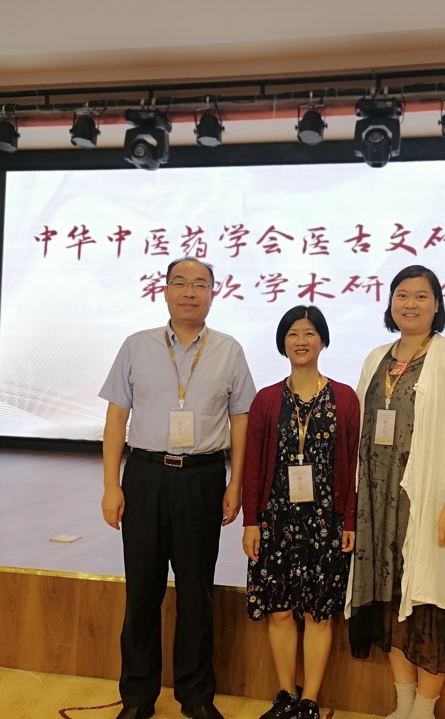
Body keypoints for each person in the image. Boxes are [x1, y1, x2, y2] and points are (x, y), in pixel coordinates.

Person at [100, 257, 257, 719]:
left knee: (196, 594)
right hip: (145, 476)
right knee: (141, 593)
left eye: (200, 284)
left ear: (213, 294)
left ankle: (196, 697)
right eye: (180, 283)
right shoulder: (136, 345)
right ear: (165, 291)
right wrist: (111, 485)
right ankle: (137, 698)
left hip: (202, 479)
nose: (190, 292)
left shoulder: (229, 350)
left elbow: (241, 420)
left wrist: (236, 483)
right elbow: (116, 418)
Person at [346, 265, 445, 719]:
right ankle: (402, 704)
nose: (410, 304)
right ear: (390, 302)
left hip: (427, 502)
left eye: (421, 296)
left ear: (437, 304)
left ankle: (424, 710)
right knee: (390, 600)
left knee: (430, 599)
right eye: (402, 295)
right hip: (377, 502)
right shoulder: (376, 358)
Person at [241, 305, 360, 719]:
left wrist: (349, 519)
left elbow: (352, 464)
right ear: (282, 342)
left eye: (310, 333)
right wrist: (251, 521)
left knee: (317, 613)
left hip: (326, 521)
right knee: (279, 611)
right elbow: (253, 467)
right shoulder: (266, 399)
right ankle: (285, 695)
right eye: (293, 333)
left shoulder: (344, 397)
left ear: (323, 340)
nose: (301, 341)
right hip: (275, 519)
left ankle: (309, 701)